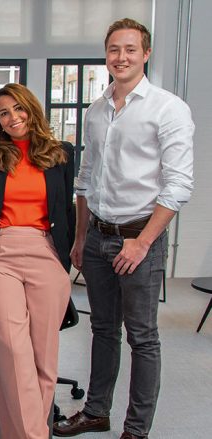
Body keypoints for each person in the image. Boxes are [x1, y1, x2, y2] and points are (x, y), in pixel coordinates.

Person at [54, 18, 194, 439]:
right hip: (98, 236)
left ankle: (136, 429)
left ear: (146, 54)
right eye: (114, 49)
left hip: (140, 238)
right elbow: (86, 179)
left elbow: (178, 185)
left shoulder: (168, 108)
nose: (121, 57)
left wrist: (143, 242)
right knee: (102, 329)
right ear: (106, 54)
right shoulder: (97, 110)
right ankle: (96, 412)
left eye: (131, 49)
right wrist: (81, 237)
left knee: (143, 337)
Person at [0, 83, 74, 438]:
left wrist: (63, 261)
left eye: (18, 109)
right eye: (3, 113)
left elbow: (65, 210)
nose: (12, 118)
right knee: (14, 352)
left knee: (44, 358)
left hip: (46, 250)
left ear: (32, 109)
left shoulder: (61, 153)